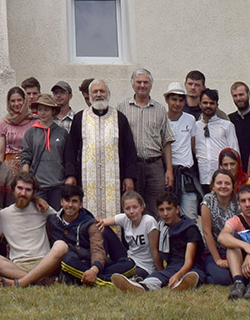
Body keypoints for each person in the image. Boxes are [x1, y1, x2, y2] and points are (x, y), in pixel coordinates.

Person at [64, 80, 138, 220]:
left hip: (115, 179)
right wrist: (70, 174)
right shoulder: (80, 118)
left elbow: (129, 150)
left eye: (102, 91)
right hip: (86, 179)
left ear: (108, 94)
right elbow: (71, 149)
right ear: (89, 95)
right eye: (95, 92)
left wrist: (129, 176)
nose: (99, 95)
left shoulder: (119, 118)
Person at [0, 173, 70, 286]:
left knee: (61, 246)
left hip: (45, 263)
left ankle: (20, 283)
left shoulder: (42, 208)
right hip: (17, 265)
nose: (23, 193)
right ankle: (39, 281)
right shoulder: (3, 215)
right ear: (13, 189)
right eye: (20, 188)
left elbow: (63, 221)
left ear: (34, 193)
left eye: (28, 190)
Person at [111, 191, 201, 291]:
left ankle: (182, 283)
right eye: (161, 210)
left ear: (177, 209)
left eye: (169, 209)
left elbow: (189, 261)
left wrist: (177, 275)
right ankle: (141, 286)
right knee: (155, 277)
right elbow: (158, 254)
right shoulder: (162, 227)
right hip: (172, 267)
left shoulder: (189, 228)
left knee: (193, 275)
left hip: (192, 266)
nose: (165, 214)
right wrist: (162, 272)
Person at [51, 180, 131, 286]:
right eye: (67, 201)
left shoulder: (90, 223)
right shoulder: (52, 221)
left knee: (130, 264)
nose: (70, 205)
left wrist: (94, 270)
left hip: (93, 265)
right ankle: (107, 282)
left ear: (81, 205)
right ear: (61, 202)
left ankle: (96, 279)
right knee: (66, 260)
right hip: (74, 264)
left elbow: (97, 248)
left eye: (74, 201)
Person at [120, 69, 173, 215]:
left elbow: (167, 141)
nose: (142, 85)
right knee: (132, 208)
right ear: (132, 84)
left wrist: (169, 170)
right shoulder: (122, 108)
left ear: (151, 85)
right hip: (132, 166)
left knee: (157, 208)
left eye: (146, 82)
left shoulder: (160, 109)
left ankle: (155, 238)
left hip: (155, 166)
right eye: (139, 82)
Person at [19, 96, 69, 209]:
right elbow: (26, 156)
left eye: (46, 109)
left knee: (55, 218)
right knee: (38, 217)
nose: (43, 113)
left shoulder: (62, 133)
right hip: (38, 185)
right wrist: (27, 179)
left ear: (53, 111)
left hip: (57, 184)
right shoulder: (31, 132)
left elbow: (67, 158)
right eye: (40, 109)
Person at [101, 189, 162, 279]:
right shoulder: (124, 218)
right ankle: (100, 265)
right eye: (128, 208)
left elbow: (155, 251)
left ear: (142, 207)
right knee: (103, 229)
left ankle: (104, 275)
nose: (131, 211)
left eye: (135, 207)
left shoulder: (149, 221)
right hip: (128, 259)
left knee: (132, 275)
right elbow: (101, 222)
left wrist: (161, 273)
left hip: (144, 266)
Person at [162, 82, 201, 219]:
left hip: (186, 174)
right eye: (174, 99)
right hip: (167, 174)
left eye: (180, 100)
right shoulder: (161, 119)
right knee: (167, 217)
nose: (177, 103)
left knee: (190, 217)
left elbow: (192, 146)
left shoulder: (190, 119)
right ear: (167, 100)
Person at [197, 168, 239, 285]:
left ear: (232, 186)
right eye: (219, 183)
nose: (223, 186)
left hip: (234, 249)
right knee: (222, 279)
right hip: (214, 250)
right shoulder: (208, 201)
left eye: (227, 183)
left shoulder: (238, 202)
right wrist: (218, 260)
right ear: (213, 186)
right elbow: (207, 232)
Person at [194, 88, 239, 190]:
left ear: (217, 105)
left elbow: (235, 153)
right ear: (199, 104)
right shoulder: (195, 126)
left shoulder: (227, 126)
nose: (208, 106)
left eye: (212, 103)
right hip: (201, 179)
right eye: (205, 103)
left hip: (222, 180)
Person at [0, 86, 34, 167]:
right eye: (13, 101)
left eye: (19, 100)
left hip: (30, 166)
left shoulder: (34, 121)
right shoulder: (4, 123)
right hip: (9, 167)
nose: (16, 104)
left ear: (25, 101)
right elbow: (0, 151)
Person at [228, 81, 250, 152]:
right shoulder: (229, 120)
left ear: (249, 94)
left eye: (241, 95)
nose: (238, 98)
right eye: (235, 96)